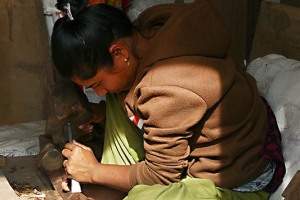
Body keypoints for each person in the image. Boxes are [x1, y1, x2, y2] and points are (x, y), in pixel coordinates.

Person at [51, 0, 286, 199]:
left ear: (119, 52)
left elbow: (161, 177)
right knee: (117, 89)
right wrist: (100, 115)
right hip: (192, 135)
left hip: (234, 178)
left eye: (96, 84)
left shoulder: (165, 86)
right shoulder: (148, 29)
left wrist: (94, 171)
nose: (99, 92)